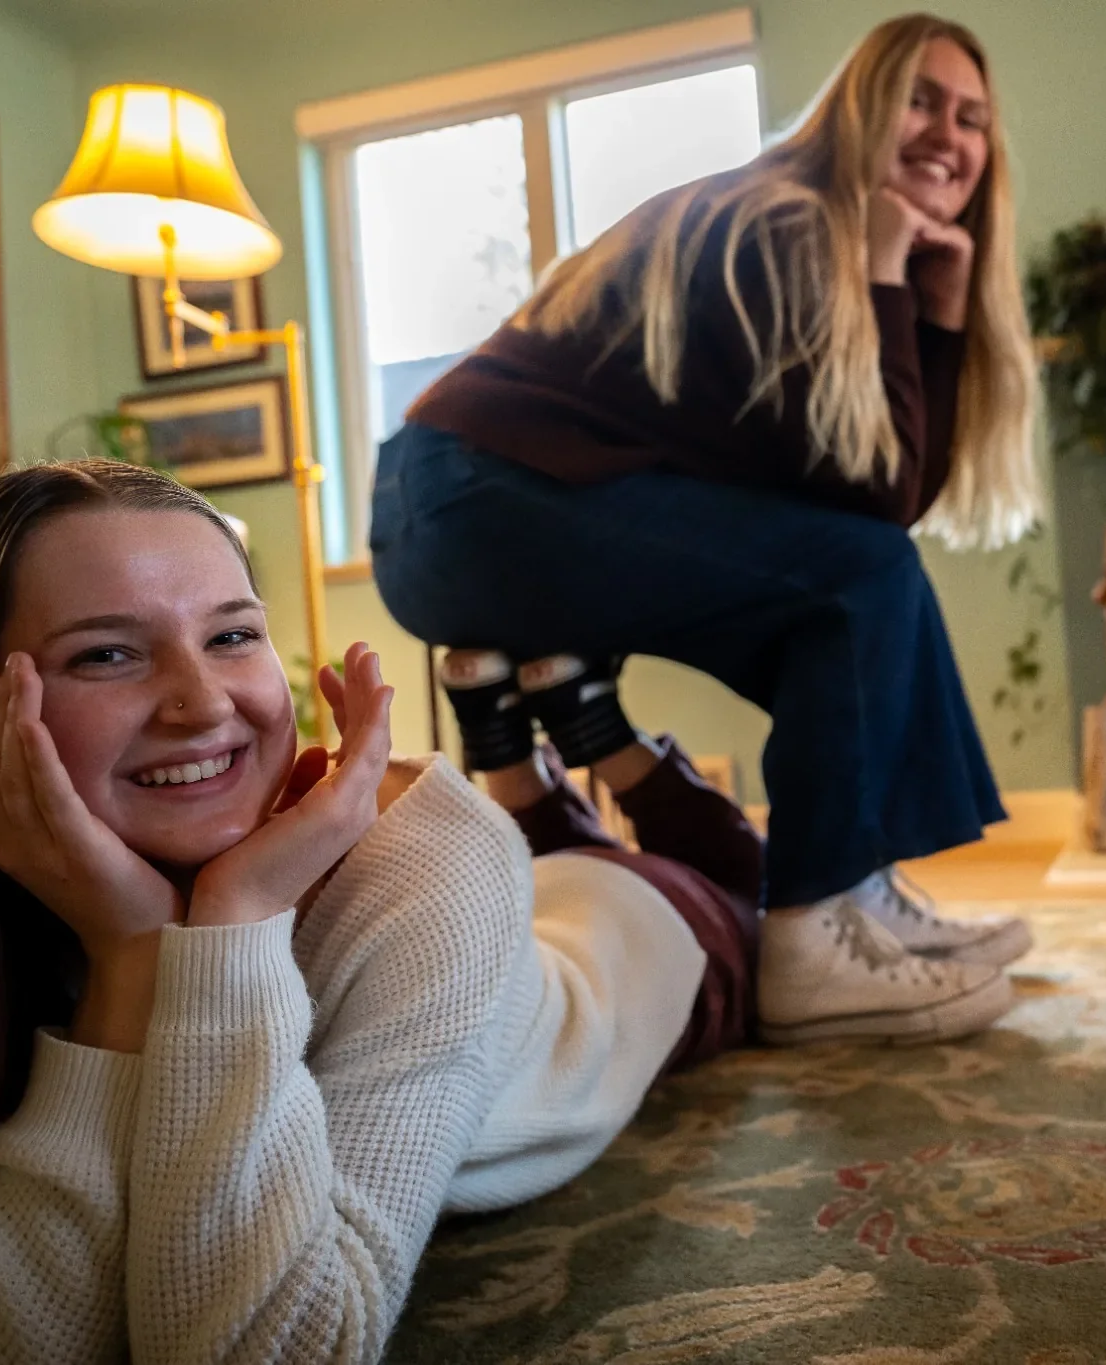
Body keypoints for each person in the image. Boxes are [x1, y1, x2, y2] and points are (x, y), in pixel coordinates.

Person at [0, 459, 760, 1363]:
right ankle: (536, 776)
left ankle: (582, 757)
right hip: (526, 920)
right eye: (110, 655)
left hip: (638, 949)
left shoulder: (429, 859)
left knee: (734, 878)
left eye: (231, 635)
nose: (202, 705)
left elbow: (274, 1345)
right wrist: (131, 961)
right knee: (561, 839)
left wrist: (233, 924)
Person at [372, 13, 1040, 1046]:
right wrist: (895, 281)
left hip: (473, 505)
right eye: (919, 99)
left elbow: (877, 486)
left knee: (842, 589)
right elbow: (879, 502)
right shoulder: (782, 226)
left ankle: (851, 889)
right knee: (857, 578)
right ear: (858, 109)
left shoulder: (810, 232)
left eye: (971, 118)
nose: (946, 135)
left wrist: (936, 303)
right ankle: (811, 937)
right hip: (472, 500)